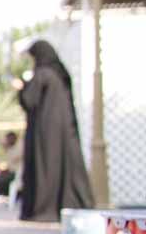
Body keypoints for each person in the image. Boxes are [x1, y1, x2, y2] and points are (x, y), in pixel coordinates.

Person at [15, 40, 94, 221]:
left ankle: (44, 210)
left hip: (44, 134)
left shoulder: (42, 75)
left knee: (45, 169)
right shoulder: (60, 75)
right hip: (65, 133)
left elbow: (29, 100)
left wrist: (22, 88)